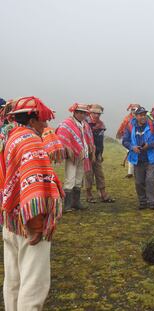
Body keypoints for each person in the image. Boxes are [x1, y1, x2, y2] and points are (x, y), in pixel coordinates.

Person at [0, 96, 63, 310]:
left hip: (11, 221)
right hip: (28, 225)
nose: (46, 124)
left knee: (13, 280)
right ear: (33, 119)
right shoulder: (32, 142)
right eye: (43, 119)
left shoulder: (10, 139)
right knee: (33, 284)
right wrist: (36, 226)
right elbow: (34, 187)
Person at [122, 106, 154, 209]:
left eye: (144, 114)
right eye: (140, 115)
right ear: (136, 116)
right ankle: (142, 202)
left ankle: (151, 203)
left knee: (150, 180)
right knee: (139, 182)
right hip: (137, 158)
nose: (143, 117)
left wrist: (149, 146)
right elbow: (125, 141)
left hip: (151, 158)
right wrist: (132, 147)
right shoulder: (130, 126)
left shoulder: (152, 125)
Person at [56, 103, 95, 212]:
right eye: (80, 112)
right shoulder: (66, 124)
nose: (82, 115)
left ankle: (76, 202)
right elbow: (61, 137)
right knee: (70, 178)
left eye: (84, 113)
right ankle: (67, 205)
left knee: (78, 178)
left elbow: (88, 138)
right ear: (75, 112)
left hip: (83, 155)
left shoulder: (85, 125)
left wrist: (89, 150)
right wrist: (69, 149)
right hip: (72, 156)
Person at [85, 104, 115, 203]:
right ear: (90, 113)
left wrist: (100, 153)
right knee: (88, 173)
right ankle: (88, 193)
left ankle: (102, 192)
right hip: (87, 152)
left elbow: (100, 140)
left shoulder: (101, 125)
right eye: (95, 113)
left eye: (99, 113)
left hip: (97, 152)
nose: (97, 115)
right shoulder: (85, 123)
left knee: (99, 173)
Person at [117, 104, 140, 178]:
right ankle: (130, 172)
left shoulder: (142, 118)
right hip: (129, 138)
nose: (133, 111)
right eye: (132, 109)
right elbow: (123, 126)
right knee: (130, 154)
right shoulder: (127, 119)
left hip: (139, 138)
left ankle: (137, 172)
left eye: (135, 109)